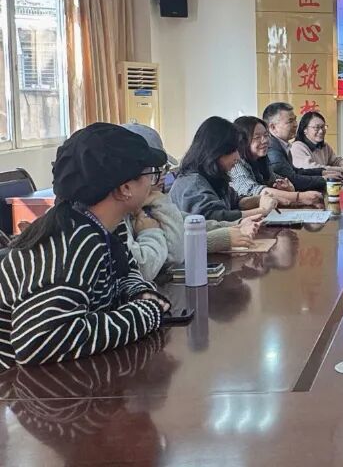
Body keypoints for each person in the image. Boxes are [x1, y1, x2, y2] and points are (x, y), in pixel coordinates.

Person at [0, 123, 171, 368]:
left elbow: (125, 272)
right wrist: (145, 314)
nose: (154, 182)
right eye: (150, 174)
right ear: (125, 188)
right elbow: (40, 342)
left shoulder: (106, 226)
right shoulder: (71, 244)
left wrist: (138, 293)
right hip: (19, 384)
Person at [121, 123, 259, 281]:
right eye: (154, 170)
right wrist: (223, 237)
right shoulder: (191, 183)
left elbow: (189, 222)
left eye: (164, 168)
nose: (162, 176)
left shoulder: (149, 202)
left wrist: (236, 225)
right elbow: (172, 255)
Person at [170, 116, 279, 222]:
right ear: (216, 152)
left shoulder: (214, 176)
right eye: (233, 151)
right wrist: (262, 211)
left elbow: (235, 201)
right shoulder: (193, 183)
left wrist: (260, 199)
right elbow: (213, 218)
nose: (238, 157)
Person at [231, 116, 323, 208]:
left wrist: (287, 186)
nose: (265, 140)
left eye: (266, 135)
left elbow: (275, 179)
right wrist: (299, 197)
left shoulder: (261, 159)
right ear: (242, 141)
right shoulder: (235, 163)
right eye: (257, 137)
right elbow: (253, 190)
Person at [263, 102, 339, 192]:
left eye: (295, 120)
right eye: (290, 121)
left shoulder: (281, 145)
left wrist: (322, 172)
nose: (296, 124)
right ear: (273, 127)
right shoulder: (272, 150)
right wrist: (324, 179)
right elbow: (292, 180)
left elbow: (295, 171)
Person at [291, 111, 343, 175]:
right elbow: (311, 168)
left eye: (323, 127)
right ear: (305, 130)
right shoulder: (297, 147)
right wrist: (341, 169)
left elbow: (336, 160)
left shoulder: (324, 146)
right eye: (316, 127)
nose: (321, 131)